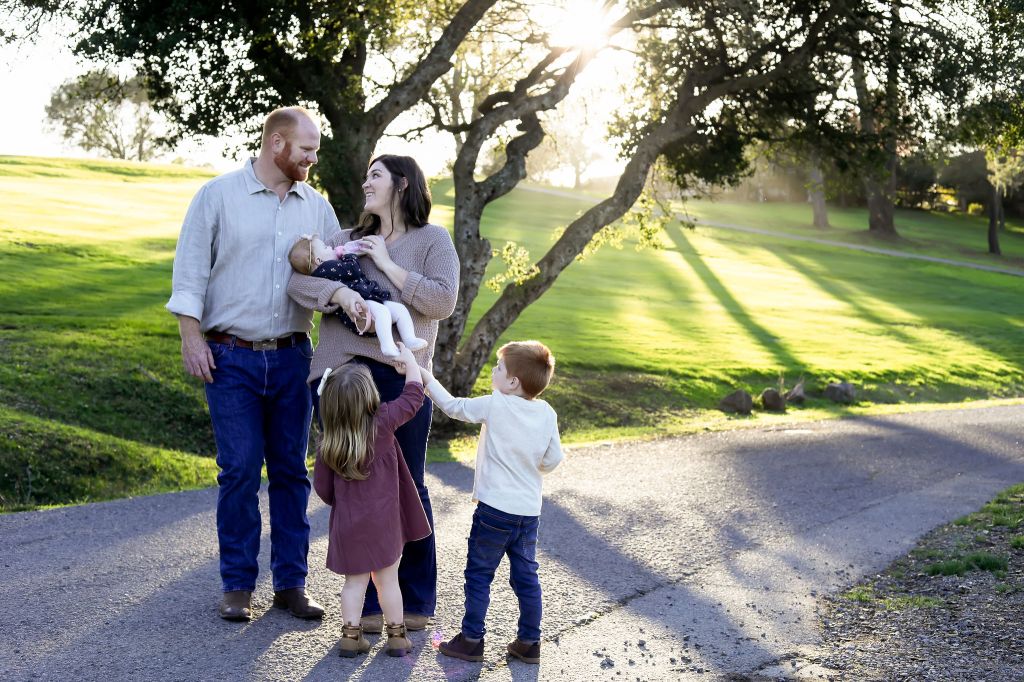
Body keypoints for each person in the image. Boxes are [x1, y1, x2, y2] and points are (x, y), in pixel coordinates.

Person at [167, 106, 337, 622]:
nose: (312, 159)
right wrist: (191, 338)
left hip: (293, 357)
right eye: (306, 149)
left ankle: (291, 584)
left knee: (290, 471)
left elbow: (340, 271)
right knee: (239, 470)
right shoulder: (218, 196)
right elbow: (190, 273)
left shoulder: (317, 207)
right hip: (229, 357)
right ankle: (238, 585)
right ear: (277, 143)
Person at [288, 154, 459, 633]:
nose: (366, 182)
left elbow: (443, 301)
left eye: (375, 175)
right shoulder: (346, 239)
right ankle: (364, 605)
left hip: (401, 377)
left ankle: (415, 599)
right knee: (355, 485)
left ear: (402, 184)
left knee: (409, 487)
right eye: (365, 174)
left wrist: (386, 264)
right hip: (342, 381)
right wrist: (339, 296)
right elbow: (297, 281)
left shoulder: (433, 240)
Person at [423, 341, 564, 665]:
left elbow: (454, 407)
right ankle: (529, 641)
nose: (493, 371)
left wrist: (426, 378)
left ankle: (472, 639)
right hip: (528, 513)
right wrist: (533, 466)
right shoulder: (547, 412)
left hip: (494, 512)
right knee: (526, 577)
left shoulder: (495, 404)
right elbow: (553, 459)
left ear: (513, 381)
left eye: (498, 368)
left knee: (479, 575)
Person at [312, 343, 432, 658]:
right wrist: (410, 363)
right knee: (388, 581)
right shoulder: (383, 422)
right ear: (369, 396)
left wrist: (343, 504)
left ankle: (351, 637)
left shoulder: (328, 443)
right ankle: (397, 638)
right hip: (385, 523)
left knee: (354, 584)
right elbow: (413, 398)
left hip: (349, 525)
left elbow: (323, 489)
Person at [287, 235, 427, 357]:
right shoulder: (328, 268)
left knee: (399, 309)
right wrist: (348, 254)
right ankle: (387, 346)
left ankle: (409, 339)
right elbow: (352, 270)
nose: (330, 247)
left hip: (368, 299)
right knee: (383, 312)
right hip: (360, 305)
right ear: (318, 260)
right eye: (325, 247)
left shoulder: (328, 268)